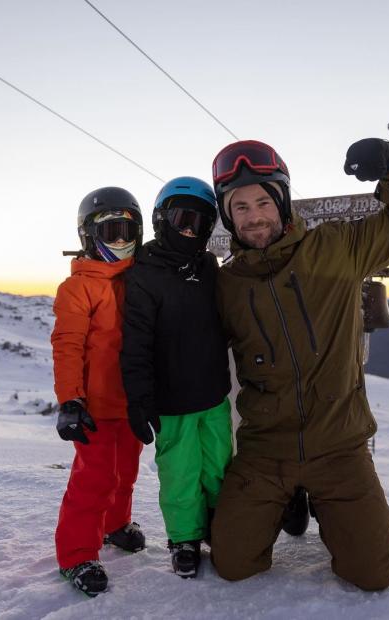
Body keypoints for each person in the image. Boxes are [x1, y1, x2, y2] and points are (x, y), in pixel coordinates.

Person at [209, 137, 389, 590]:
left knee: (373, 575)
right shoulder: (226, 285)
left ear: (282, 201)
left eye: (262, 201)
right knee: (234, 564)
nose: (254, 216)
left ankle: (322, 501)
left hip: (339, 446)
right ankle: (288, 499)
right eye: (240, 208)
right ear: (228, 216)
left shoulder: (336, 249)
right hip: (264, 450)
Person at [120, 177, 232, 579]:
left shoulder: (207, 266)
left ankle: (221, 528)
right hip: (173, 403)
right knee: (181, 474)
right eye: (182, 219)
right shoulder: (145, 274)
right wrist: (140, 400)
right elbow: (135, 345)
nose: (189, 230)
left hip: (214, 397)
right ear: (161, 219)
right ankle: (184, 537)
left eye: (201, 223)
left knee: (220, 468)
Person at [52, 187, 146, 597]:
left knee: (126, 472)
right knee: (95, 479)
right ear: (89, 237)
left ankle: (115, 526)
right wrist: (71, 400)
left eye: (128, 230)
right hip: (95, 405)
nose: (121, 240)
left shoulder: (139, 279)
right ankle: (76, 554)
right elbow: (67, 345)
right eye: (111, 231)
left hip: (132, 402)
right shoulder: (79, 288)